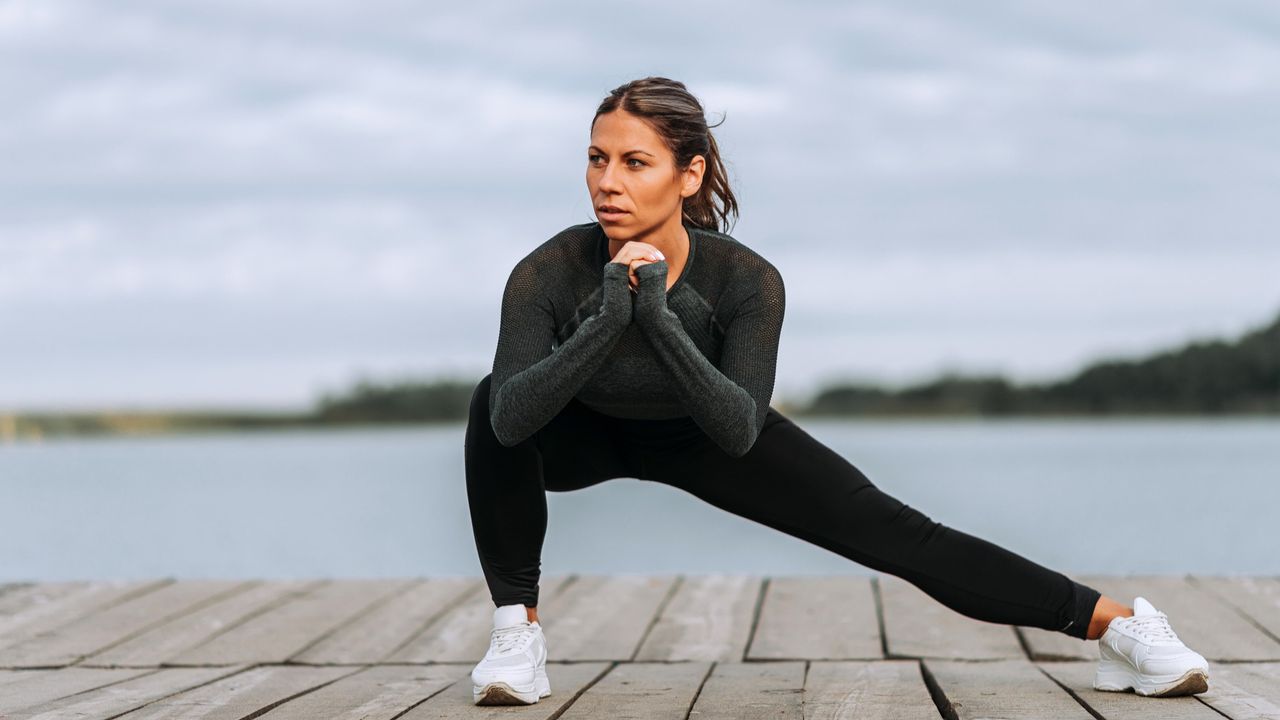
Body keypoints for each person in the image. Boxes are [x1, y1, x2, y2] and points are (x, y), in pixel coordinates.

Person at [464, 76, 1210, 706]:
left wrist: (656, 315)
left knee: (894, 531)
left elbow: (735, 430)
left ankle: (1120, 628)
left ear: (687, 175)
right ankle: (515, 636)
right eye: (596, 159)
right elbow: (510, 419)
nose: (608, 181)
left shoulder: (747, 282)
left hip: (707, 432)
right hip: (581, 428)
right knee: (488, 398)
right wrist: (607, 315)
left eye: (635, 162)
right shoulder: (548, 272)